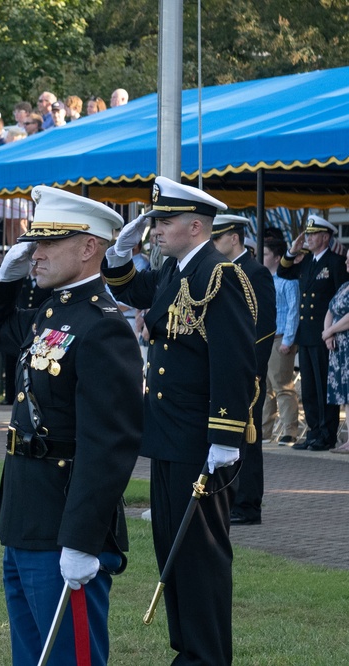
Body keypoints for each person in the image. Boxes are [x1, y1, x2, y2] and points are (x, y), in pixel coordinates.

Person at [0, 186, 141, 665]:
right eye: (34, 241)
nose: (35, 252)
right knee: (31, 656)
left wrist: (83, 539)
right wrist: (2, 282)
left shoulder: (102, 324)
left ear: (89, 247)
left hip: (64, 523)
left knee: (68, 657)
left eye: (49, 242)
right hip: (26, 515)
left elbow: (109, 445)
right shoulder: (55, 311)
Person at [103, 176, 257, 666]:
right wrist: (119, 253)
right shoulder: (175, 271)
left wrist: (226, 437)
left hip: (201, 440)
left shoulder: (220, 275)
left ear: (196, 225)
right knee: (173, 549)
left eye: (163, 221)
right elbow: (128, 287)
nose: (155, 231)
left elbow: (234, 363)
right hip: (169, 434)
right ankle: (188, 649)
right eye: (154, 222)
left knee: (200, 555)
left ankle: (207, 655)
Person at [212, 215, 276, 526]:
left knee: (248, 440)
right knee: (228, 436)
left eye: (217, 238)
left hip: (247, 371)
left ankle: (248, 504)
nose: (212, 245)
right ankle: (231, 497)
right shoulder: (223, 272)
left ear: (233, 238)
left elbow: (262, 328)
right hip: (228, 367)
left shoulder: (255, 272)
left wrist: (253, 371)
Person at [278, 215, 349, 450]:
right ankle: (313, 431)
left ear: (325, 237)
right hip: (306, 333)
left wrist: (330, 331)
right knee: (308, 387)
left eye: (312, 234)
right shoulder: (306, 261)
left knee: (322, 386)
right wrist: (291, 251)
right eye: (307, 234)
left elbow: (342, 299)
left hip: (325, 334)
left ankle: (327, 434)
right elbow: (284, 272)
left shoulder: (336, 262)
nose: (307, 237)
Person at [260, 239, 301, 446]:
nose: (261, 257)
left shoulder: (288, 281)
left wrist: (288, 339)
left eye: (265, 254)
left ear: (277, 257)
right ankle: (265, 431)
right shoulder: (264, 279)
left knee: (283, 386)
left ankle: (289, 431)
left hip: (280, 338)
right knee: (265, 387)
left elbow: (294, 310)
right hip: (265, 339)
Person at [323, 249, 349, 453]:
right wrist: (328, 333)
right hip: (339, 348)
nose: (346, 262)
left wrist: (330, 330)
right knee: (345, 396)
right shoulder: (345, 286)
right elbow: (330, 310)